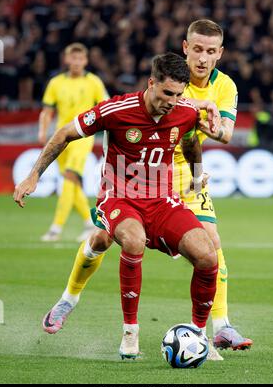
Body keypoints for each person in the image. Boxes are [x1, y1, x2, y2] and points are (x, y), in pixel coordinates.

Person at [14, 53, 219, 360]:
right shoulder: (117, 109)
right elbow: (64, 133)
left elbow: (190, 141)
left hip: (162, 200)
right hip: (118, 196)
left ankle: (199, 336)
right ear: (151, 83)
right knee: (132, 240)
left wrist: (197, 174)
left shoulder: (186, 112)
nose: (172, 102)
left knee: (207, 255)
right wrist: (33, 175)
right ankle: (128, 332)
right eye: (166, 94)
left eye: (178, 95)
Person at [175, 19, 253, 359]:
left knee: (212, 243)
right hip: (154, 168)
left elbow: (227, 133)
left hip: (191, 171)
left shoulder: (226, 86)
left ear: (219, 53)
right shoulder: (171, 78)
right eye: (197, 50)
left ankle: (220, 327)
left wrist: (204, 121)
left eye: (210, 51)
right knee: (104, 240)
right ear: (185, 48)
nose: (203, 58)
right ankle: (67, 299)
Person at [38, 43, 109, 242]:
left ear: (85, 61)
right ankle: (89, 222)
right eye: (73, 58)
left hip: (82, 137)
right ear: (67, 60)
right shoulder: (56, 83)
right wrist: (43, 131)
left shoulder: (93, 82)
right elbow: (47, 110)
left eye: (80, 59)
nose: (77, 63)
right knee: (72, 182)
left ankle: (55, 228)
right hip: (61, 137)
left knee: (69, 176)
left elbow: (106, 104)